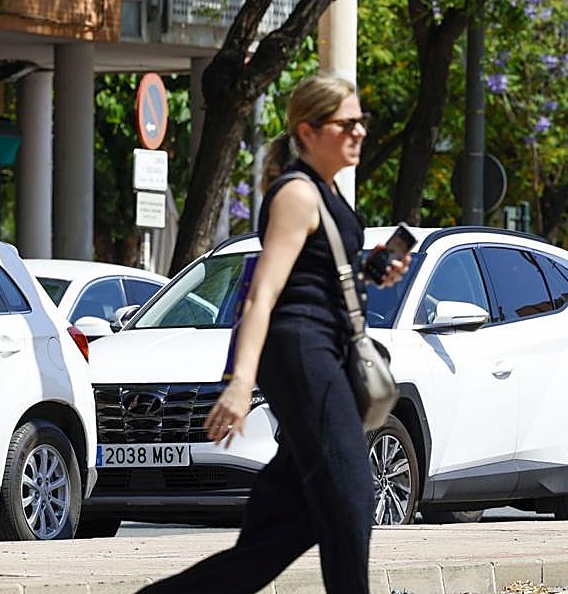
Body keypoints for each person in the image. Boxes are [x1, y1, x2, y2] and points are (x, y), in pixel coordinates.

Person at [141, 73, 408, 594]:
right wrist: (240, 384)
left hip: (323, 350)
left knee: (294, 520)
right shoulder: (297, 194)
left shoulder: (325, 191)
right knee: (352, 494)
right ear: (308, 131)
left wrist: (370, 270)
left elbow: (318, 274)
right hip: (302, 353)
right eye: (346, 123)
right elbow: (261, 293)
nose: (359, 132)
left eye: (362, 121)